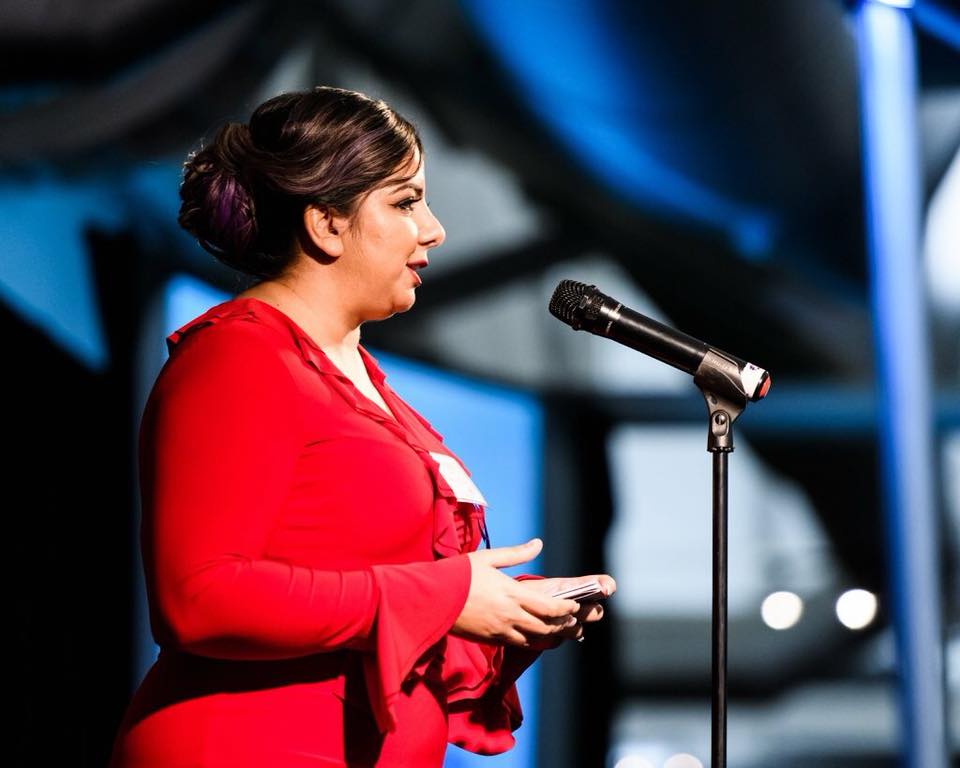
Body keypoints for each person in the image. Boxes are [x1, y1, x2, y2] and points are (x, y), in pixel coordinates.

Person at [108, 85, 616, 767]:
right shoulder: (241, 356)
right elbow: (198, 596)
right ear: (326, 223)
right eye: (404, 202)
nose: (434, 229)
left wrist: (505, 616)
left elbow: (365, 591)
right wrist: (445, 594)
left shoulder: (373, 392)